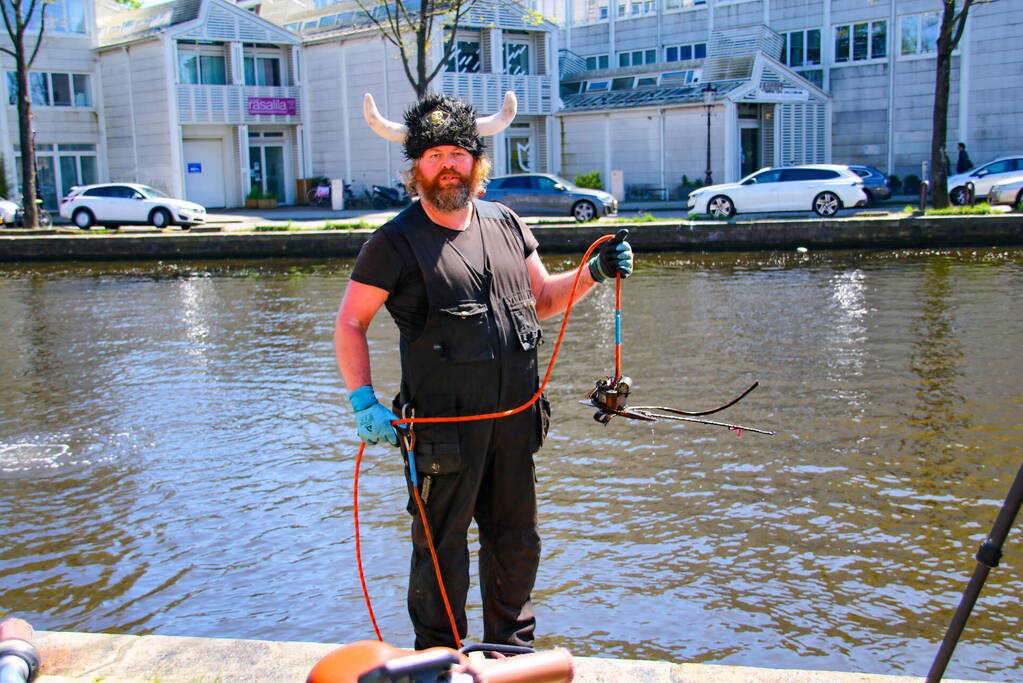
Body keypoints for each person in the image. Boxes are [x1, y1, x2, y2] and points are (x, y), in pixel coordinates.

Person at [334, 91, 633, 650]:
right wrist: (362, 399)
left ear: (477, 161)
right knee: (440, 548)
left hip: (515, 427)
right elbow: (350, 323)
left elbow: (542, 298)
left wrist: (593, 272)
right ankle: (441, 659)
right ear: (416, 168)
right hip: (442, 436)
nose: (447, 165)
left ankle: (508, 651)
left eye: (457, 153)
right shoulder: (393, 244)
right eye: (432, 156)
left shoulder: (507, 223)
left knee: (517, 543)